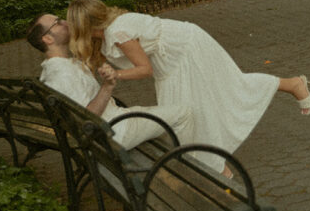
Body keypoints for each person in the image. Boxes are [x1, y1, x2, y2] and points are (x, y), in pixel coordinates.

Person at [66, 0, 310, 172]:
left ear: (84, 26)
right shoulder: (108, 34)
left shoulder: (118, 33)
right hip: (170, 65)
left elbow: (144, 70)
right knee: (186, 115)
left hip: (186, 50)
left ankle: (291, 84)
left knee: (226, 91)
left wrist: (114, 77)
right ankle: (217, 168)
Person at [25, 12, 200, 155]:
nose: (64, 21)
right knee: (184, 114)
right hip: (114, 132)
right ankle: (189, 170)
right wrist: (107, 86)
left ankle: (172, 161)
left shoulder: (58, 66)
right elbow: (86, 117)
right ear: (48, 39)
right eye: (57, 22)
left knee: (164, 121)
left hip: (113, 124)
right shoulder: (60, 74)